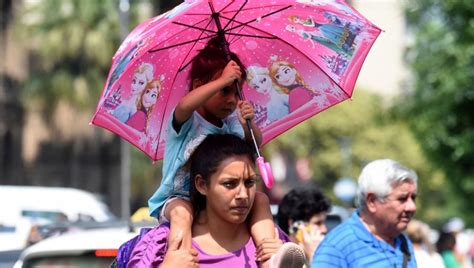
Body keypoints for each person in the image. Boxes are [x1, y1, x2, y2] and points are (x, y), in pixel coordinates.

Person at [147, 37, 277, 266]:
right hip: (177, 199)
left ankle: (271, 256)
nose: (231, 100)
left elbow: (255, 142)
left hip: (214, 202)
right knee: (182, 215)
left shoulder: (231, 123)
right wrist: (222, 79)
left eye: (236, 92)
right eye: (224, 90)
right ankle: (182, 257)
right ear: (199, 87)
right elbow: (184, 105)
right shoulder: (188, 122)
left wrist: (249, 124)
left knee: (261, 200)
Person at [128, 134, 305, 267]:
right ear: (202, 185)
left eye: (250, 182)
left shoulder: (273, 243)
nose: (243, 194)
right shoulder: (162, 246)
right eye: (230, 184)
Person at [312, 159, 418, 267]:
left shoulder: (402, 242)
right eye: (402, 199)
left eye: (413, 198)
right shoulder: (336, 248)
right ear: (372, 201)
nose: (412, 207)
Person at [277, 185, 331, 265]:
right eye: (317, 223)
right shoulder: (278, 261)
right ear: (294, 225)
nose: (324, 229)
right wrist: (314, 257)